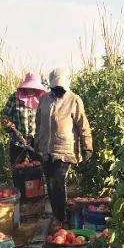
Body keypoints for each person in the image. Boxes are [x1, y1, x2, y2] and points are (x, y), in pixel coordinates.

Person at [35, 68, 93, 226]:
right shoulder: (44, 99)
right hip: (46, 149)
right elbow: (38, 123)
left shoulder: (74, 100)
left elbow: (83, 124)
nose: (58, 90)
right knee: (50, 183)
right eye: (55, 87)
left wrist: (87, 146)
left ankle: (62, 218)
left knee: (58, 181)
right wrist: (36, 144)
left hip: (65, 149)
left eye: (61, 87)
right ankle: (57, 215)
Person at [1, 72, 47, 166]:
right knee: (19, 171)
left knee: (37, 171)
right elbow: (5, 116)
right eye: (29, 86)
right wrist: (9, 125)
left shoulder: (42, 99)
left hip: (36, 143)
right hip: (18, 142)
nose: (31, 89)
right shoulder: (15, 98)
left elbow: (46, 119)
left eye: (33, 87)